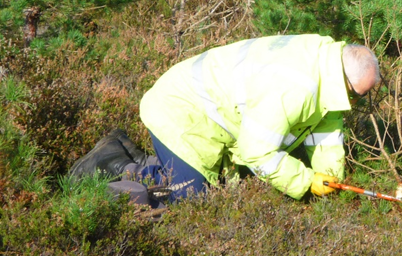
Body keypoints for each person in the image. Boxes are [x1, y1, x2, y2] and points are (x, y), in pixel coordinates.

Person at [72, 35, 380, 203]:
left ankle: (135, 160)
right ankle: (110, 168)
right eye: (357, 95)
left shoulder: (327, 70)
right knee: (190, 197)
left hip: (211, 116)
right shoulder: (295, 86)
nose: (356, 104)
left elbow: (325, 132)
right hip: (182, 108)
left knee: (213, 186)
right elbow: (257, 152)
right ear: (345, 81)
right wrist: (304, 183)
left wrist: (331, 179)